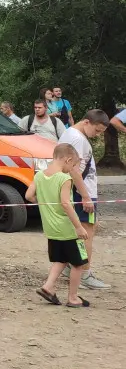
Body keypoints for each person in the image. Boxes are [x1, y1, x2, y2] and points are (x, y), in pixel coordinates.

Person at [26, 143, 91, 307]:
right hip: (68, 228)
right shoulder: (64, 178)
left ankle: (48, 287)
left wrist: (45, 204)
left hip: (51, 228)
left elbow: (29, 195)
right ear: (68, 159)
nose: (72, 169)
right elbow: (66, 204)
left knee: (61, 259)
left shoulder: (39, 175)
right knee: (78, 263)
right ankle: (73, 297)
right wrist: (78, 226)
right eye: (73, 165)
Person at [57, 110, 112, 290]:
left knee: (79, 231)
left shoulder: (70, 133)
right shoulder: (78, 139)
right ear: (87, 122)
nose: (97, 135)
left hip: (81, 191)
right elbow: (74, 170)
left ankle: (69, 267)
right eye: (97, 131)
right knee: (87, 232)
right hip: (83, 192)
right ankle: (84, 274)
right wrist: (86, 196)